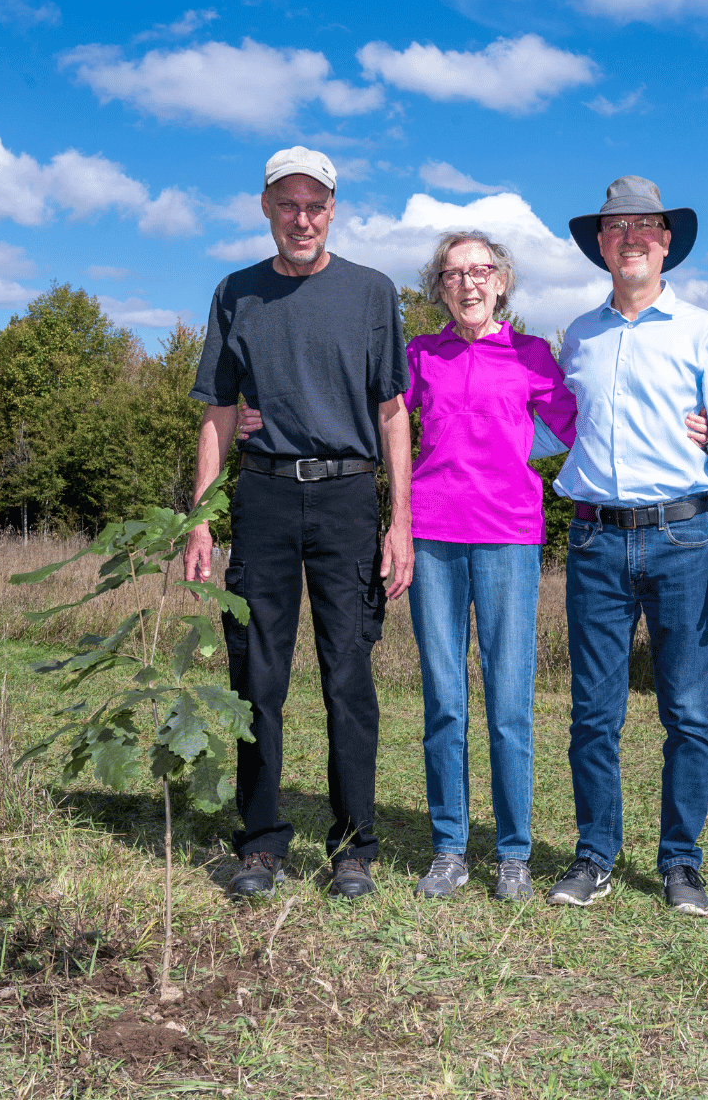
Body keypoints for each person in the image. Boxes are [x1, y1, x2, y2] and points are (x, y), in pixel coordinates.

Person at [237, 231, 708, 901]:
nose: (469, 283)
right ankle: (450, 847)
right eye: (455, 274)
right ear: (440, 288)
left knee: (510, 700)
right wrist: (262, 413)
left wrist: (692, 424)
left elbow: (593, 422)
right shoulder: (418, 356)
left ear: (503, 282)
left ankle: (513, 852)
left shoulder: (534, 355)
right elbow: (369, 412)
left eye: (482, 270)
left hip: (510, 537)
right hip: (432, 536)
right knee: (445, 701)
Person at [183, 145, 413, 902]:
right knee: (256, 675)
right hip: (265, 496)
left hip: (348, 498)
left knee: (348, 677)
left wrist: (398, 520)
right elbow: (219, 413)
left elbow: (391, 412)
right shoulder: (235, 293)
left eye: (315, 204)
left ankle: (352, 846)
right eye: (288, 203)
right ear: (265, 208)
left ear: (334, 210)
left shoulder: (372, 293)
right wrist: (202, 519)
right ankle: (259, 841)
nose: (302, 217)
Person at [544, 175, 708, 917]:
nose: (630, 236)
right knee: (593, 714)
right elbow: (549, 426)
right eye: (615, 226)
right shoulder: (578, 334)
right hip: (596, 539)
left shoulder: (704, 333)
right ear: (600, 244)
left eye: (645, 226)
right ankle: (595, 856)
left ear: (666, 241)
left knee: (688, 713)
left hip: (682, 537)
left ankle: (681, 863)